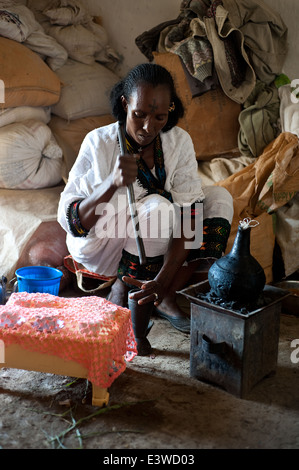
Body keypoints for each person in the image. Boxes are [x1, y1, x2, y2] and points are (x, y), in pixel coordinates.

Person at [57, 63, 233, 341]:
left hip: (156, 243)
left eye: (160, 117)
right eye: (139, 115)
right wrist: (110, 183)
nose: (148, 127)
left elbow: (190, 214)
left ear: (170, 110)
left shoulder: (178, 142)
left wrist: (163, 280)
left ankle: (164, 293)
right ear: (125, 103)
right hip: (103, 243)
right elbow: (75, 224)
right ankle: (124, 288)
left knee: (217, 199)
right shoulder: (99, 142)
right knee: (158, 208)